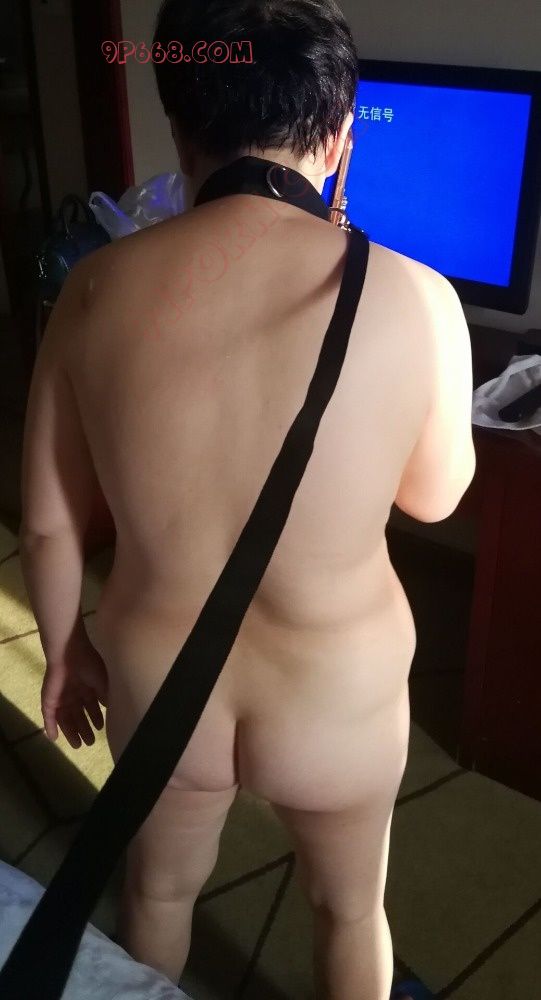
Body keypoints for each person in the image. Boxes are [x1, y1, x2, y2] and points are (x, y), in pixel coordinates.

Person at [18, 1, 475, 997]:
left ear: (181, 130)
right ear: (341, 138)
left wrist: (64, 651)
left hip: (160, 678)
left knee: (158, 894)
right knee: (348, 910)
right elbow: (437, 500)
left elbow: (48, 521)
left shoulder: (93, 289)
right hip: (336, 692)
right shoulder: (418, 296)